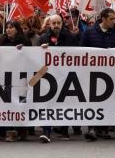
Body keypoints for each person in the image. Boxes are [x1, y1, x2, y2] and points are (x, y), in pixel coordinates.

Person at [80, 8, 115, 141]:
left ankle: (104, 128)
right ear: (103, 19)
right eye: (111, 19)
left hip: (110, 74)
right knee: (92, 100)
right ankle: (92, 128)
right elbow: (81, 50)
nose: (114, 21)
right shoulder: (89, 32)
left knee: (108, 99)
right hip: (92, 73)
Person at [37, 15, 80, 143]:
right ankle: (46, 131)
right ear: (49, 24)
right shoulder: (43, 38)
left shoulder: (70, 37)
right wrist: (41, 49)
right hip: (48, 76)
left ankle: (64, 130)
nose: (56, 25)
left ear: (62, 23)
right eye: (53, 23)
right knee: (47, 103)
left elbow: (78, 54)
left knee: (65, 102)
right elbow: (34, 55)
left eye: (58, 23)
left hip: (65, 75)